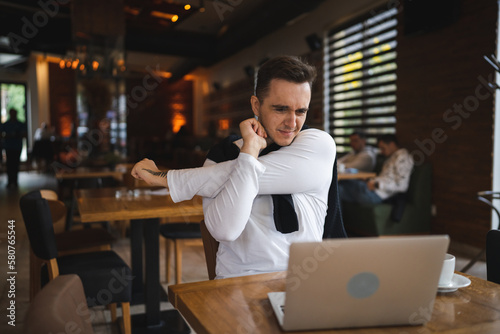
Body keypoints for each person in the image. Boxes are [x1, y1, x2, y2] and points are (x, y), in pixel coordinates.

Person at [131, 55, 346, 279]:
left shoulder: (316, 144)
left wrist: (166, 177)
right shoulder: (222, 154)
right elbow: (226, 230)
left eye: (301, 111)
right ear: (256, 105)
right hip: (237, 284)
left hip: (306, 281)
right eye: (281, 109)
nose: (292, 123)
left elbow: (223, 175)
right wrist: (250, 150)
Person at [338, 134, 414, 205]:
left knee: (338, 188)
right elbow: (385, 178)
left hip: (377, 195)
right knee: (339, 187)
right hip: (372, 189)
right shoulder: (391, 158)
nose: (381, 151)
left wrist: (377, 184)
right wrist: (370, 180)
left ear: (392, 144)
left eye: (383, 148)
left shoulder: (403, 158)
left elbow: (402, 186)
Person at [0, 108, 27, 188]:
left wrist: (17, 135)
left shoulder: (20, 124)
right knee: (9, 164)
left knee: (15, 164)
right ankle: (10, 181)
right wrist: (10, 135)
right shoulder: (6, 124)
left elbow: (24, 134)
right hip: (9, 147)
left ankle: (15, 181)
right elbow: (1, 134)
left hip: (17, 146)